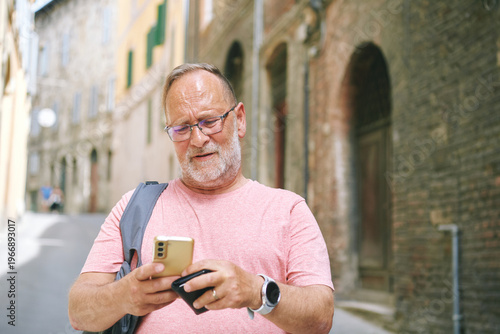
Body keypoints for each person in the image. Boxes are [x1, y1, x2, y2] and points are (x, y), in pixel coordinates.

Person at [68, 63, 334, 333]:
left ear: (239, 119)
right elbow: (78, 313)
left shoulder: (289, 210)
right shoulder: (134, 207)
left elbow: (322, 317)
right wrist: (123, 295)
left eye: (209, 121)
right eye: (182, 128)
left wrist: (256, 291)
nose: (197, 139)